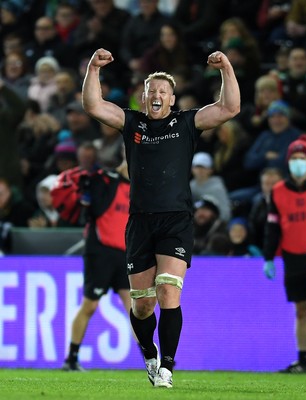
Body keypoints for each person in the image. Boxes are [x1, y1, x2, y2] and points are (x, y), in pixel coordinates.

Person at [81, 47, 240, 387]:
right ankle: (149, 354)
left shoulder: (185, 123)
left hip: (176, 220)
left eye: (162, 91)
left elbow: (230, 108)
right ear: (143, 97)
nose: (156, 95)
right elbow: (93, 106)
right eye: (151, 91)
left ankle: (167, 367)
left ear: (172, 99)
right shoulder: (132, 123)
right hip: (139, 222)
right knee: (142, 306)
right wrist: (93, 68)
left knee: (169, 291)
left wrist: (226, 66)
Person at [51, 155, 133, 371]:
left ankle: (152, 362)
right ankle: (71, 358)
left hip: (126, 254)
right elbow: (89, 209)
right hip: (101, 252)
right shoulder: (104, 180)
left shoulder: (142, 187)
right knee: (90, 305)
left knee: (137, 309)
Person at [263, 133, 306, 373]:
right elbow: (273, 226)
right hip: (292, 256)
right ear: (288, 161)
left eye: (301, 157)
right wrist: (268, 257)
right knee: (301, 309)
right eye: (294, 158)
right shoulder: (278, 192)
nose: (298, 162)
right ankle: (303, 359)